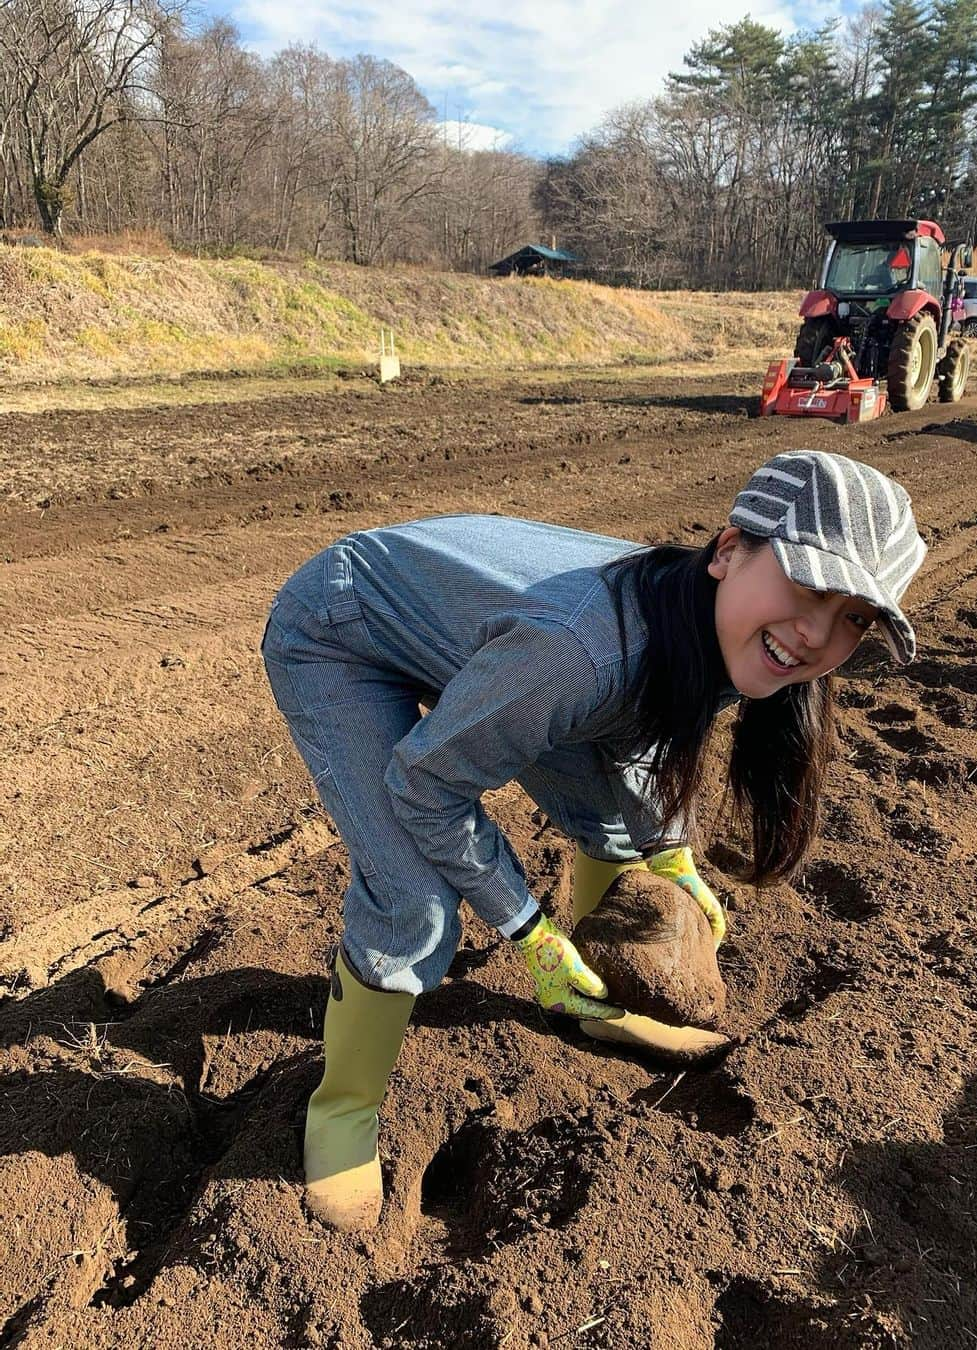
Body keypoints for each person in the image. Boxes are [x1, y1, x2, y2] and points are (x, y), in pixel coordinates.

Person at [261, 450, 927, 1231]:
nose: (818, 634)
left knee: (618, 814)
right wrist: (529, 932)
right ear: (726, 551)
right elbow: (426, 784)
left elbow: (643, 742)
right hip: (340, 631)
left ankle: (601, 995)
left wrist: (669, 852)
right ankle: (342, 1111)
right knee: (416, 896)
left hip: (493, 644)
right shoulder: (583, 650)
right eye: (809, 585)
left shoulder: (710, 627)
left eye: (854, 617)